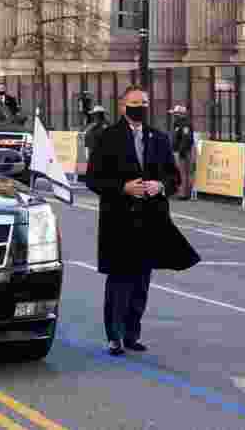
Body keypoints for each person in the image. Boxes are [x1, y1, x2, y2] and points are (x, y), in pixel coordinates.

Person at [85, 85, 200, 356]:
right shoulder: (108, 137)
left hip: (151, 220)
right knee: (119, 280)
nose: (141, 107)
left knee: (141, 281)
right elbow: (93, 179)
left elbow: (174, 177)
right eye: (136, 103)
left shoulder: (158, 138)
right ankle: (114, 336)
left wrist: (160, 186)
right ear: (124, 106)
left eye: (145, 102)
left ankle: (131, 333)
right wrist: (123, 188)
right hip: (119, 220)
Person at [169, 105, 195, 200]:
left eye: (175, 113)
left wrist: (182, 150)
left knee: (183, 172)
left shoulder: (185, 124)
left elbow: (186, 138)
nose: (174, 115)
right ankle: (182, 192)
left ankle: (184, 193)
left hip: (183, 151)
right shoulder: (178, 123)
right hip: (179, 150)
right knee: (181, 172)